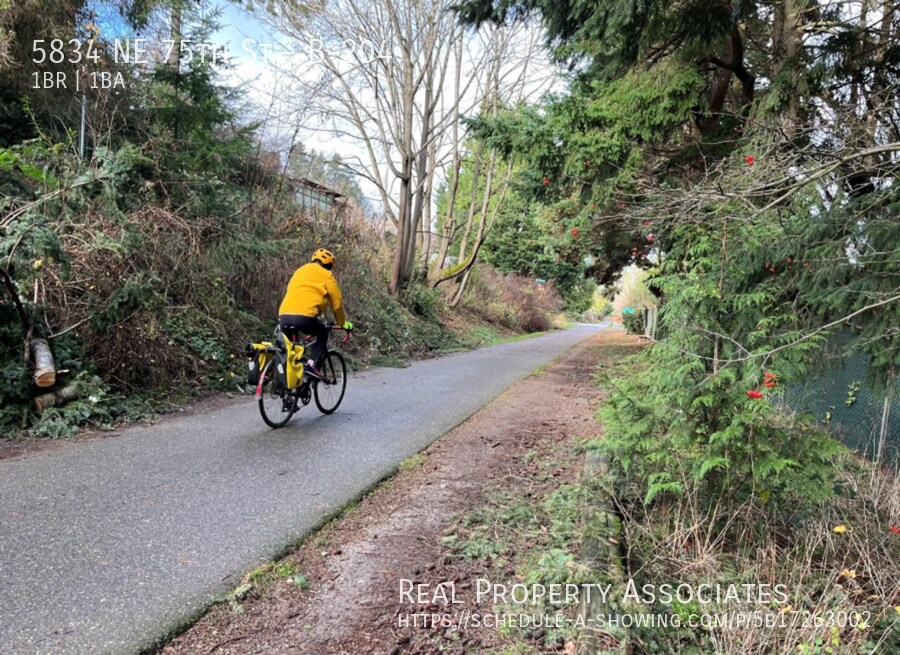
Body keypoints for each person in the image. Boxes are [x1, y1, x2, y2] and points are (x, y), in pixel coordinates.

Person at [278, 248, 353, 379]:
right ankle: (311, 365)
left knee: (291, 351)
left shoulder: (299, 271)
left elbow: (291, 289)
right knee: (322, 333)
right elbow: (337, 302)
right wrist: (341, 322)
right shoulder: (326, 275)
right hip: (305, 317)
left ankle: (287, 384)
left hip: (284, 315)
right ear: (329, 266)